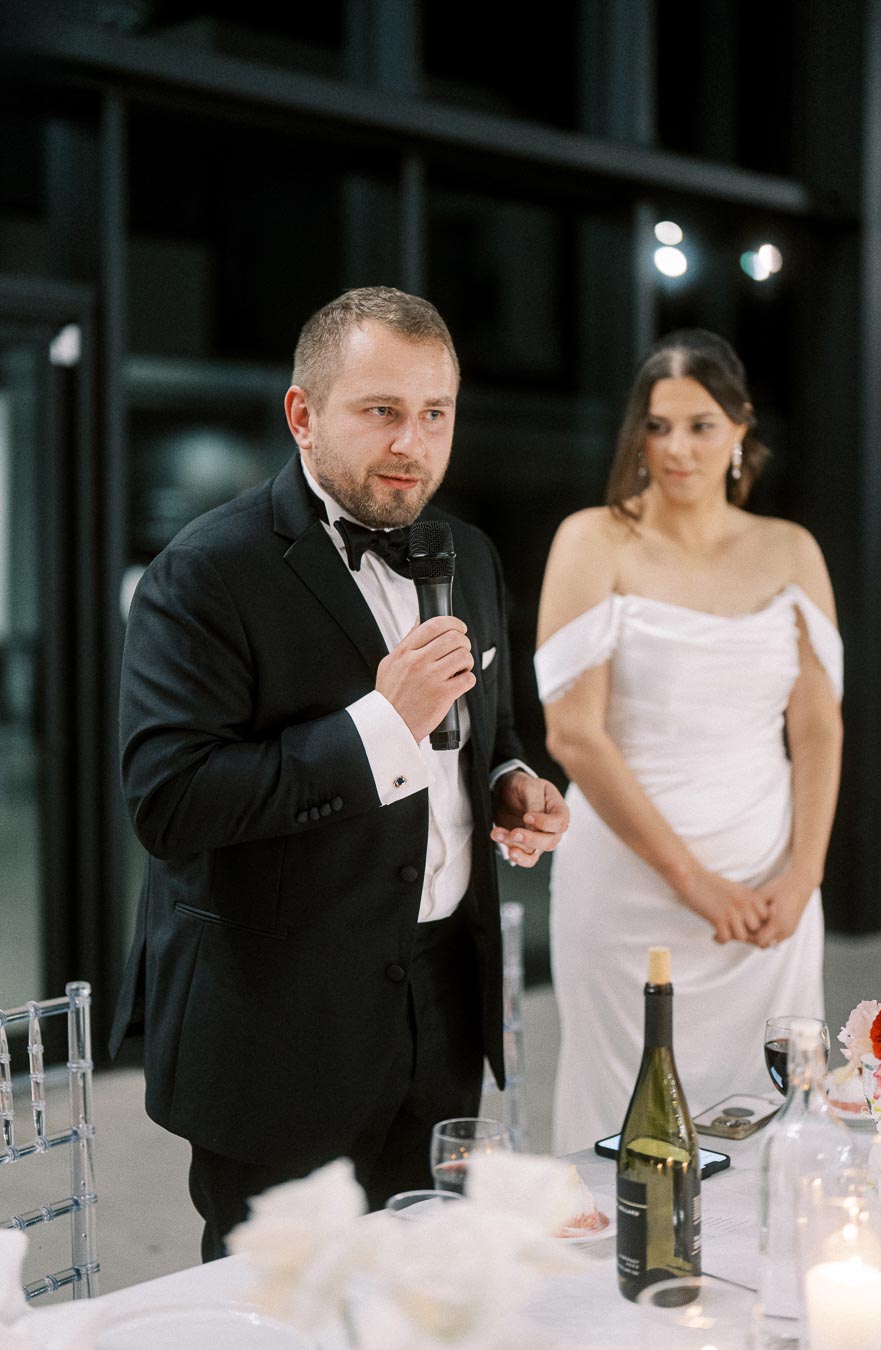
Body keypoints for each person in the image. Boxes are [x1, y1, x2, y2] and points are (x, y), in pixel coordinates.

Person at [110, 286, 568, 1257]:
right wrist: (379, 726)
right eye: (382, 411)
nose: (414, 442)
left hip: (441, 1008)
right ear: (303, 415)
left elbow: (496, 728)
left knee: (428, 1288)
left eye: (435, 413)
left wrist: (510, 783)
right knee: (282, 1309)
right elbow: (169, 802)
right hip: (279, 1019)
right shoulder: (203, 573)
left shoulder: (470, 555)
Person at [535, 329, 843, 1152]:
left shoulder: (790, 550)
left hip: (770, 878)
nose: (676, 448)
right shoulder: (593, 539)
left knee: (777, 1115)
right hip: (633, 888)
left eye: (700, 424)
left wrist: (804, 874)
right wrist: (697, 885)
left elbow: (817, 722)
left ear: (740, 427)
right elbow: (575, 735)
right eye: (658, 425)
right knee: (626, 1120)